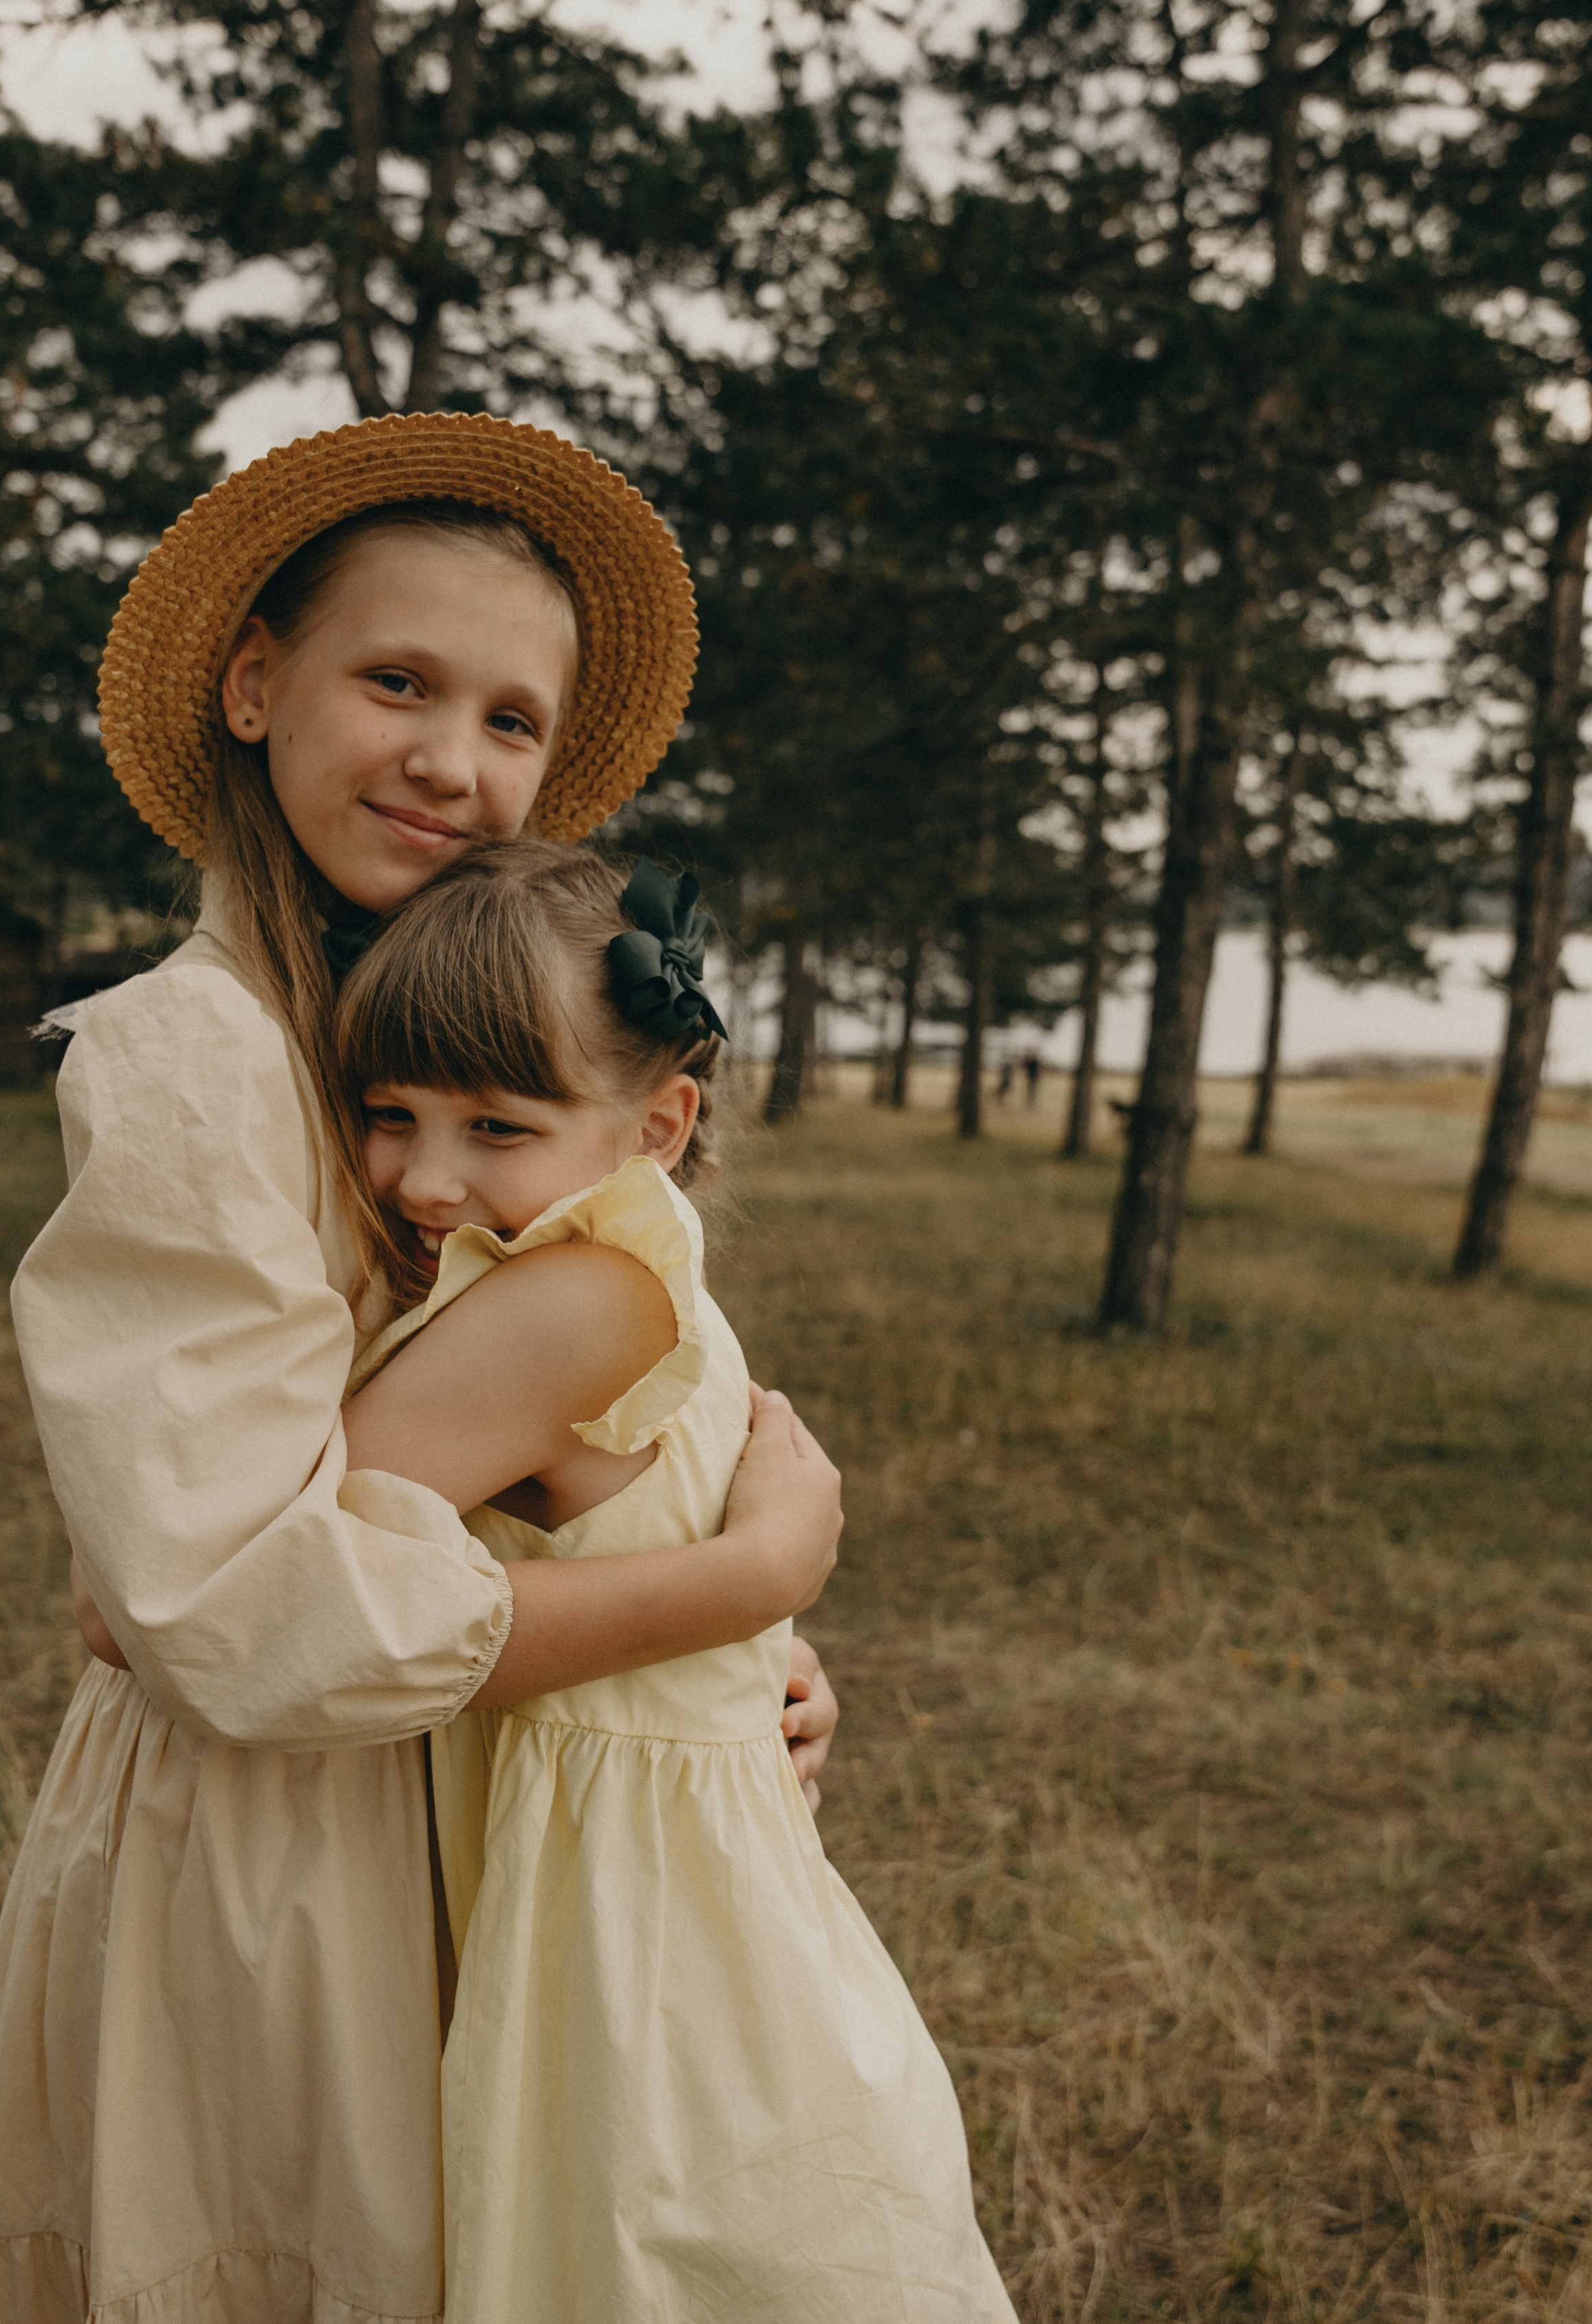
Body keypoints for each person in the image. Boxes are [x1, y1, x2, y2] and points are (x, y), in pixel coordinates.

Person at [0, 414, 844, 2324]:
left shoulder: (431, 1046)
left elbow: (550, 1444)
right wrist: (741, 1579)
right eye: (398, 681)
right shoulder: (196, 1058)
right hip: (276, 1846)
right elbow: (221, 1609)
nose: (452, 757)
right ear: (255, 685)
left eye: (512, 719)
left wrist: (709, 1660)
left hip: (468, 1794)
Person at [336, 837, 1016, 2323]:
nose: (425, 1176)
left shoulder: (566, 1300)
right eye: (389, 1113)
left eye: (495, 1125)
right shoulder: (657, 1275)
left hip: (625, 1919)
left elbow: (271, 1563)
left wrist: (753, 1604)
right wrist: (754, 1618)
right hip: (715, 1888)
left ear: (658, 1124)